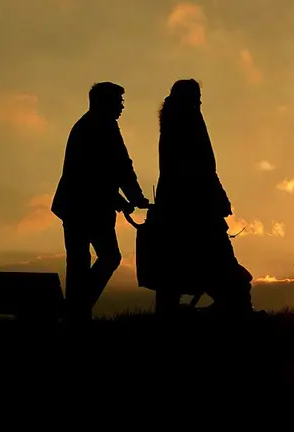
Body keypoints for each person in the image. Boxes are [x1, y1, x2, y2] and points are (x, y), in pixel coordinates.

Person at [152, 78, 255, 318]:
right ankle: (236, 307)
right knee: (218, 258)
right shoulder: (187, 120)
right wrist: (217, 197)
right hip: (197, 205)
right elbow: (201, 167)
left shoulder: (172, 120)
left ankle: (175, 310)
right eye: (196, 97)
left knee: (181, 260)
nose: (199, 102)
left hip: (181, 204)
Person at [51, 81, 150, 324]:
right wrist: (134, 198)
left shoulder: (87, 126)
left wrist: (123, 200)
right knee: (108, 257)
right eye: (118, 101)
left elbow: (100, 174)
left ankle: (76, 314)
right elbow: (116, 169)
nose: (122, 107)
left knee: (78, 263)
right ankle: (78, 308)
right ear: (104, 103)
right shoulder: (103, 128)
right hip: (88, 208)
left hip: (75, 206)